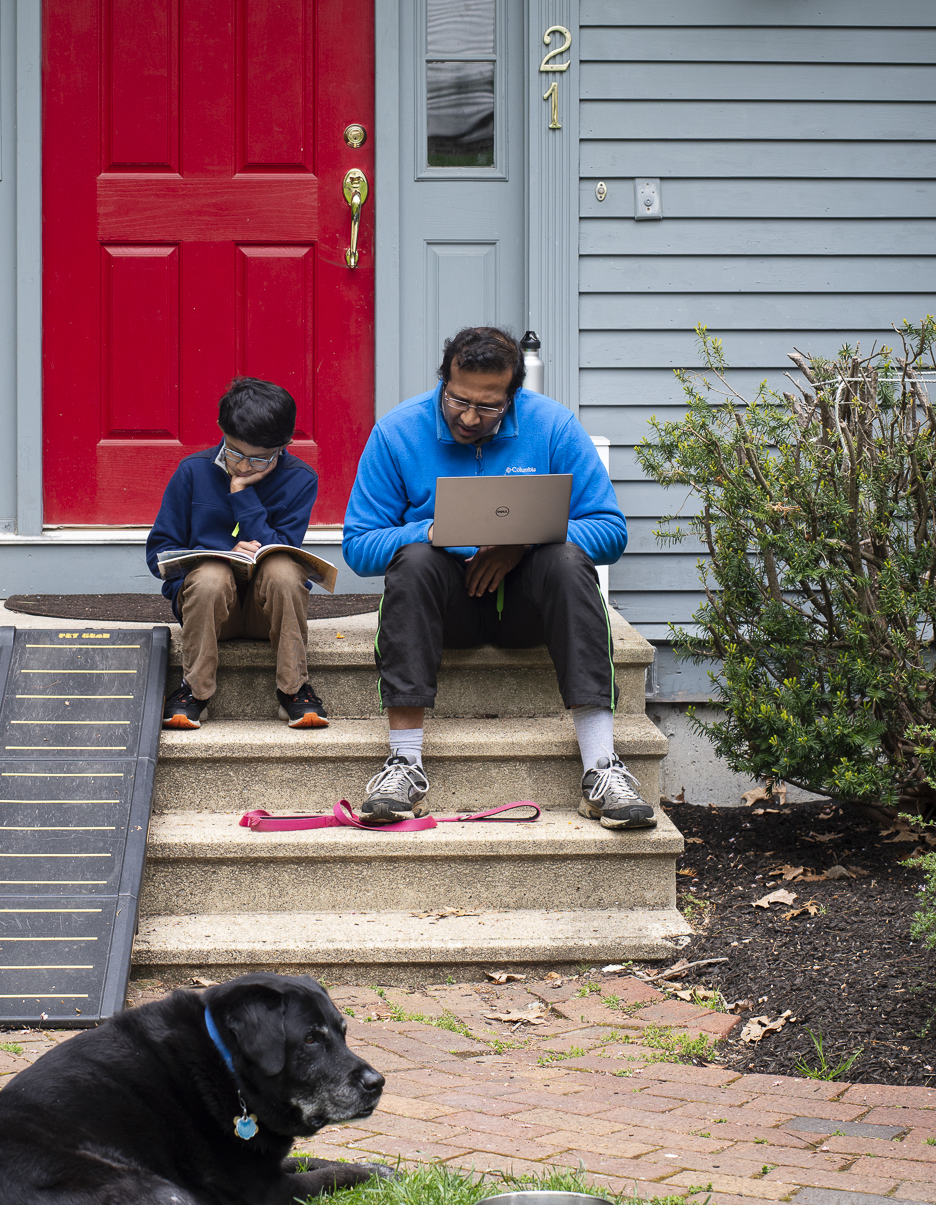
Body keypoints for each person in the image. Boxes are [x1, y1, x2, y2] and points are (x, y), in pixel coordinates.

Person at [342, 325, 653, 829]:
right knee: (413, 559)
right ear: (444, 379)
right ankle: (404, 764)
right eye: (457, 400)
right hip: (448, 613)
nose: (468, 418)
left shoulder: (552, 426)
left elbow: (610, 531)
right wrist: (439, 531)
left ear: (514, 395)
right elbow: (358, 546)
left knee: (570, 561)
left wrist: (521, 543)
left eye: (488, 408)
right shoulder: (397, 432)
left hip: (529, 611)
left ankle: (602, 767)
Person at [146, 378, 328, 730]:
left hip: (267, 613)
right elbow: (160, 554)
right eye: (235, 453)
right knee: (212, 575)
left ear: (284, 446)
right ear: (222, 432)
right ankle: (194, 691)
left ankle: (294, 689)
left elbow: (284, 548)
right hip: (210, 612)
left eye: (259, 459)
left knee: (282, 569)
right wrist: (219, 556)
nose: (244, 467)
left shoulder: (300, 479)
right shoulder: (193, 471)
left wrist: (241, 495)